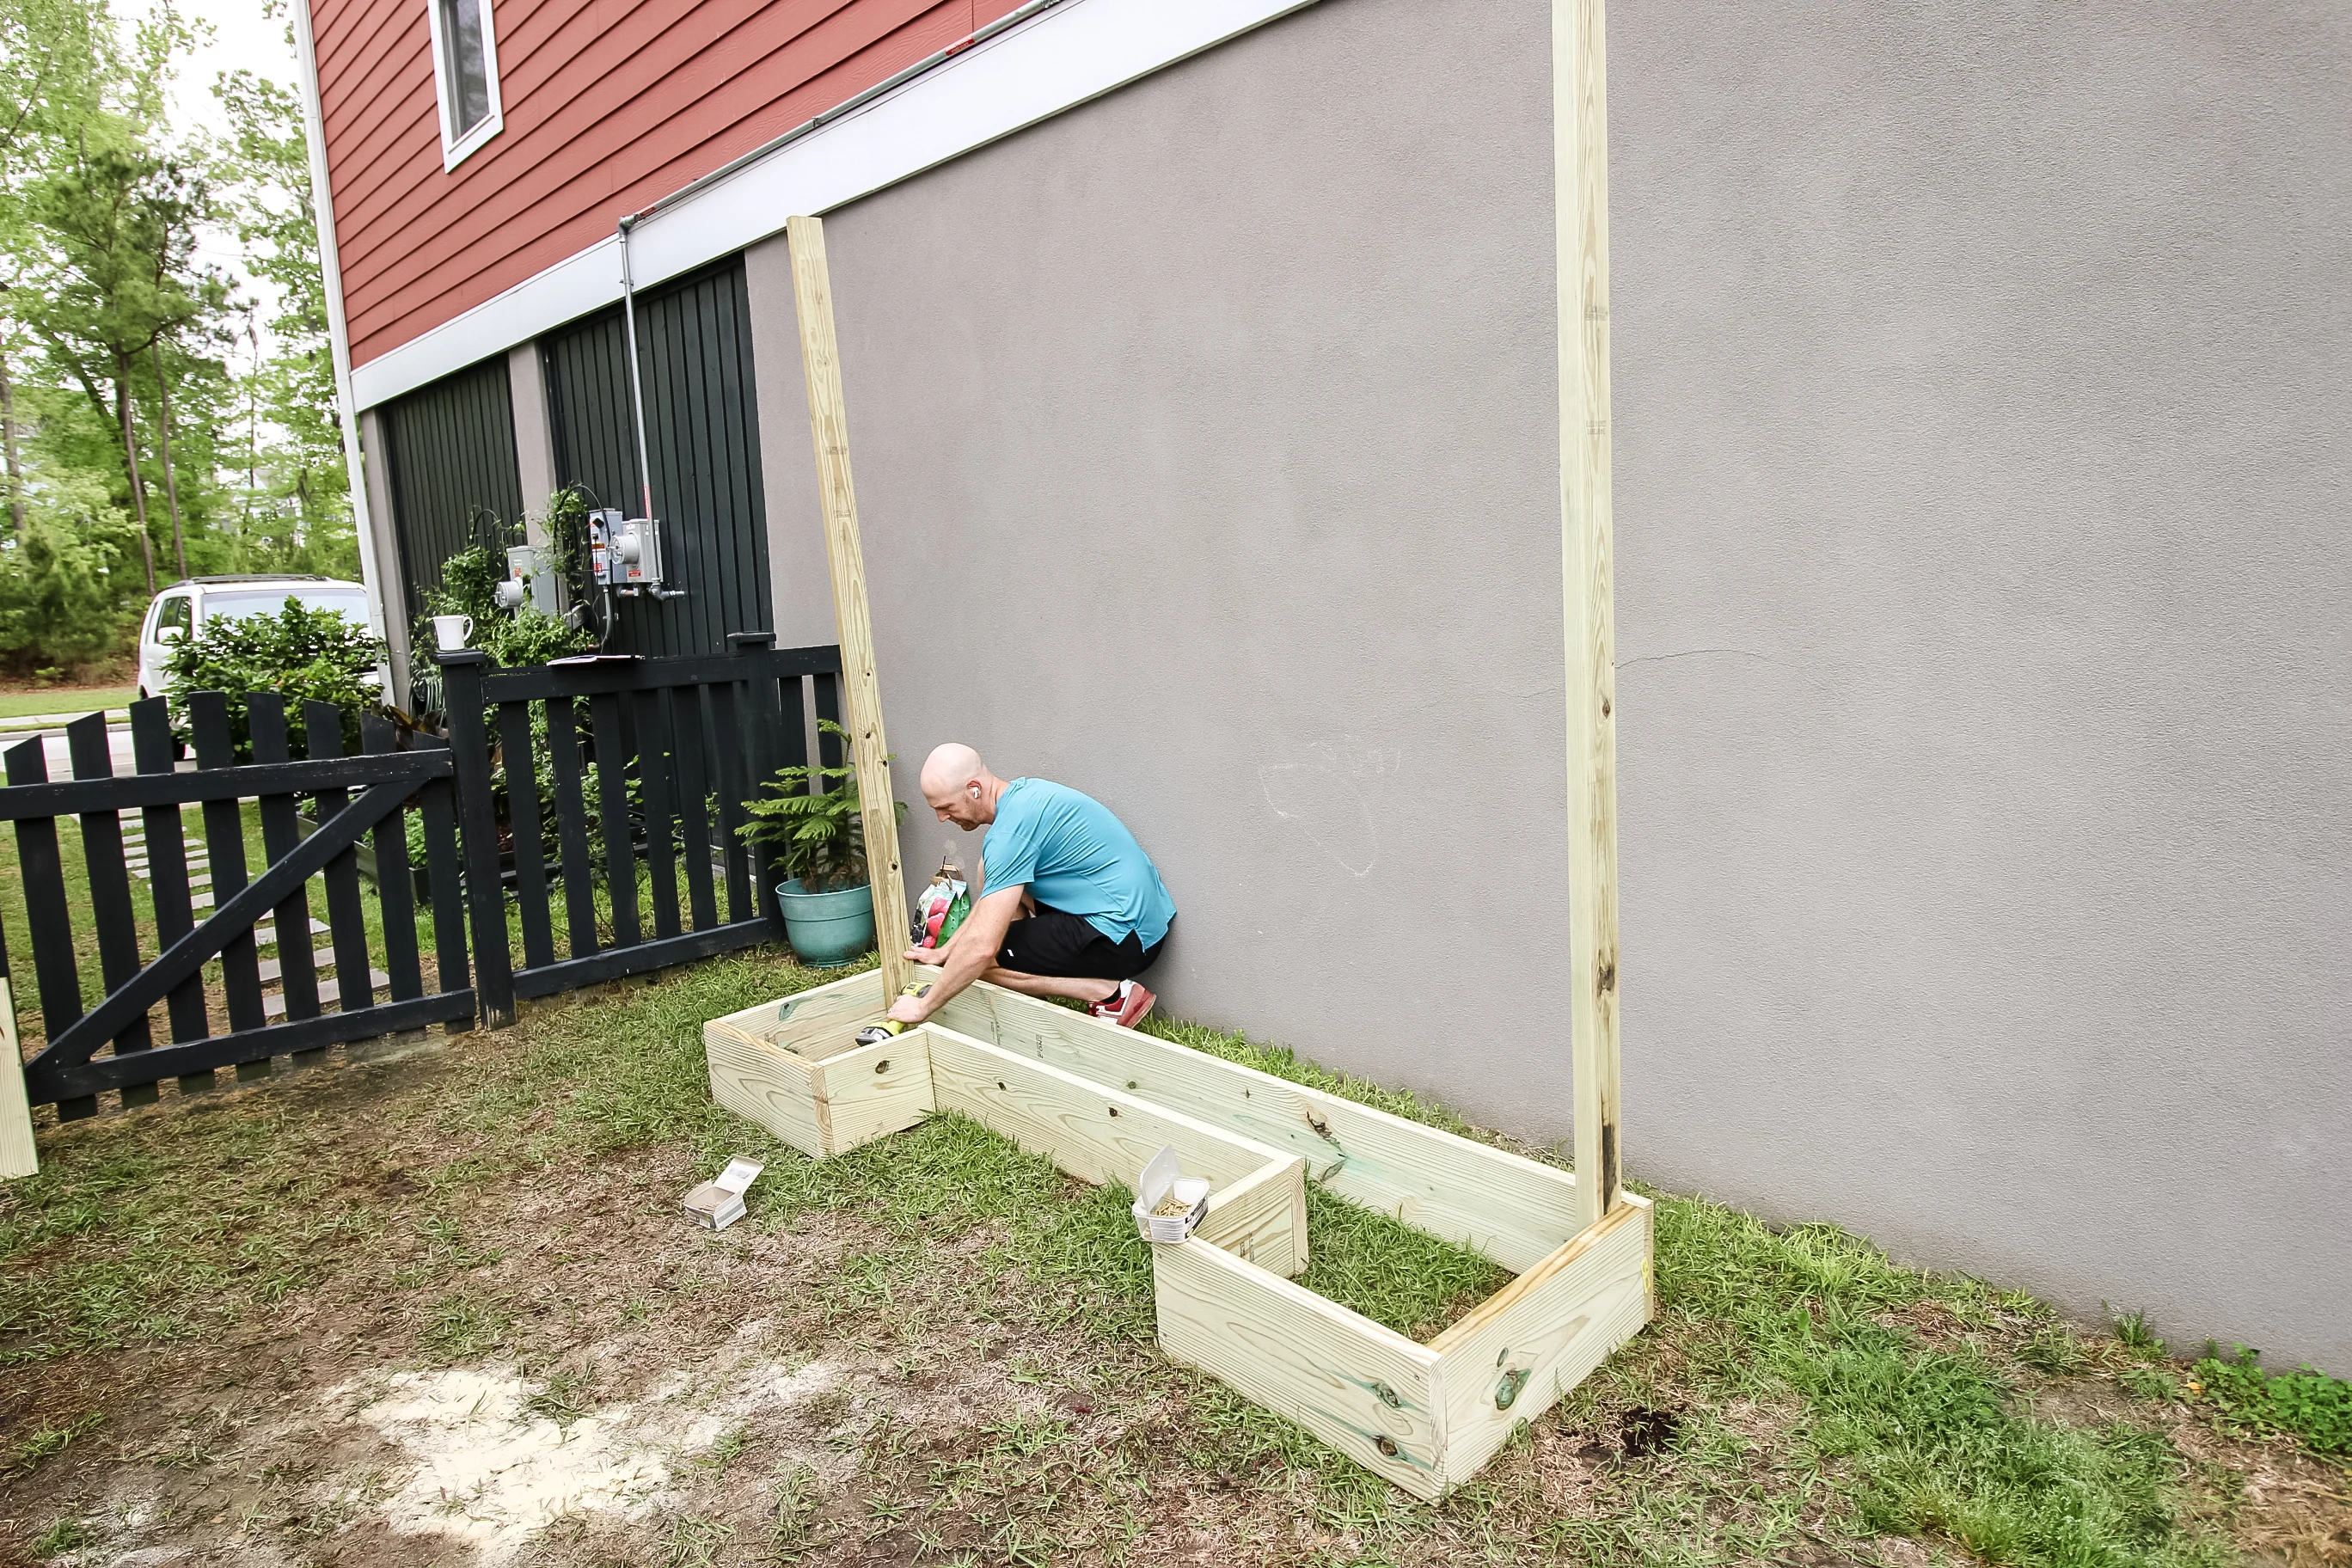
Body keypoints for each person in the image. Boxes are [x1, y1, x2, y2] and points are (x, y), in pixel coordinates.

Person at [885, 744, 1174, 1030]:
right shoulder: (1025, 796)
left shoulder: (1009, 836)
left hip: (1125, 938)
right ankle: (1024, 956)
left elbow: (981, 949)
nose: (941, 818)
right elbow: (990, 906)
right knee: (988, 871)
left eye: (946, 807)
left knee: (976, 964)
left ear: (974, 788)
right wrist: (944, 952)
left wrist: (924, 1005)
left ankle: (1107, 994)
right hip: (1137, 918)